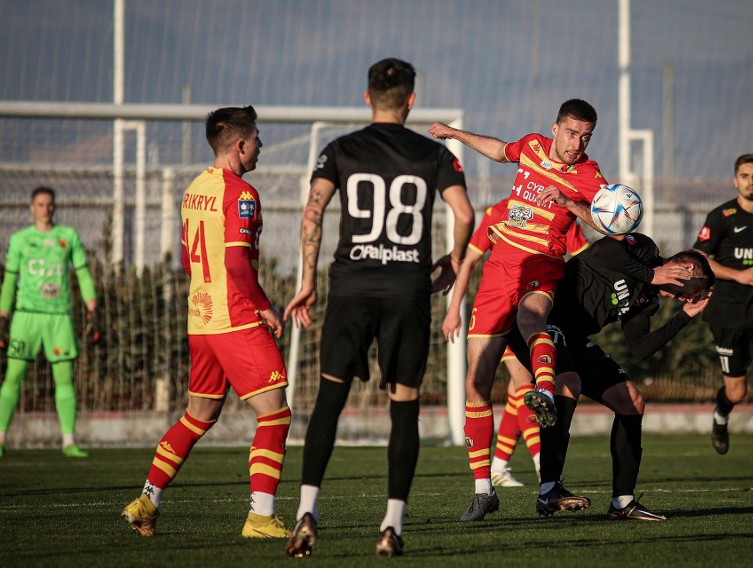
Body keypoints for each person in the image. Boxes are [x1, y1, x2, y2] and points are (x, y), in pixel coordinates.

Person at [431, 102, 682, 521]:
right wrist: (457, 135)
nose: (577, 144)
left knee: (533, 320)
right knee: (476, 384)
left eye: (585, 136)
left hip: (541, 266)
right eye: (571, 133)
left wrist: (569, 200)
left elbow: (610, 225)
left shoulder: (590, 175)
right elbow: (499, 150)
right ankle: (482, 490)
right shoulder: (530, 147)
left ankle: (544, 394)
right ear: (555, 128)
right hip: (498, 273)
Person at [283, 58, 474, 558]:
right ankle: (391, 525)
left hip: (351, 287)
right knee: (403, 406)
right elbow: (465, 213)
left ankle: (307, 511)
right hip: (406, 291)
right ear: (411, 100)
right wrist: (453, 261)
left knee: (329, 398)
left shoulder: (340, 149)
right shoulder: (435, 154)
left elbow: (312, 212)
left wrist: (307, 280)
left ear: (366, 98)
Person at [122, 106, 294, 538]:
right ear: (239, 145)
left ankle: (146, 500)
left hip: (200, 319)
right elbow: (237, 261)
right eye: (256, 138)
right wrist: (264, 305)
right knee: (274, 415)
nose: (261, 145)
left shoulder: (194, 189)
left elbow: (186, 259)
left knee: (197, 416)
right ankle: (259, 517)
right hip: (236, 318)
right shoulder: (241, 193)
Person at [505, 233, 714, 520]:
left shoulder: (648, 299)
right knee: (569, 383)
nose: (691, 297)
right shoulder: (645, 249)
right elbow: (604, 250)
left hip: (573, 338)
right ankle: (549, 490)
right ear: (687, 269)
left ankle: (623, 503)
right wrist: (650, 273)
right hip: (540, 321)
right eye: (696, 289)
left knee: (631, 400)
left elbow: (639, 348)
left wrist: (683, 317)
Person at [443, 197, 589, 488]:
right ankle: (538, 464)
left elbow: (584, 259)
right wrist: (453, 309)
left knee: (516, 390)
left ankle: (499, 465)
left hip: (532, 304)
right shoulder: (498, 212)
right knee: (520, 385)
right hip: (500, 308)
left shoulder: (560, 212)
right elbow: (470, 259)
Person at [692, 153, 753, 484]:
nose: (752, 181)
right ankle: (721, 414)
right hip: (729, 313)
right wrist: (738, 275)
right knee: (737, 392)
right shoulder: (721, 216)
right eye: (745, 175)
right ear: (736, 180)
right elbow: (700, 258)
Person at [0, 186, 101, 458]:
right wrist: (2, 315)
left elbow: (82, 274)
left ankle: (68, 441)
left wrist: (92, 307)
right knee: (13, 377)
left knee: (64, 378)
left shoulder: (67, 237)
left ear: (54, 208)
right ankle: (0, 438)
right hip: (26, 316)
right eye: (41, 204)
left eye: (50, 204)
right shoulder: (20, 240)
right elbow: (10, 280)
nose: (46, 209)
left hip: (59, 318)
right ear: (32, 208)